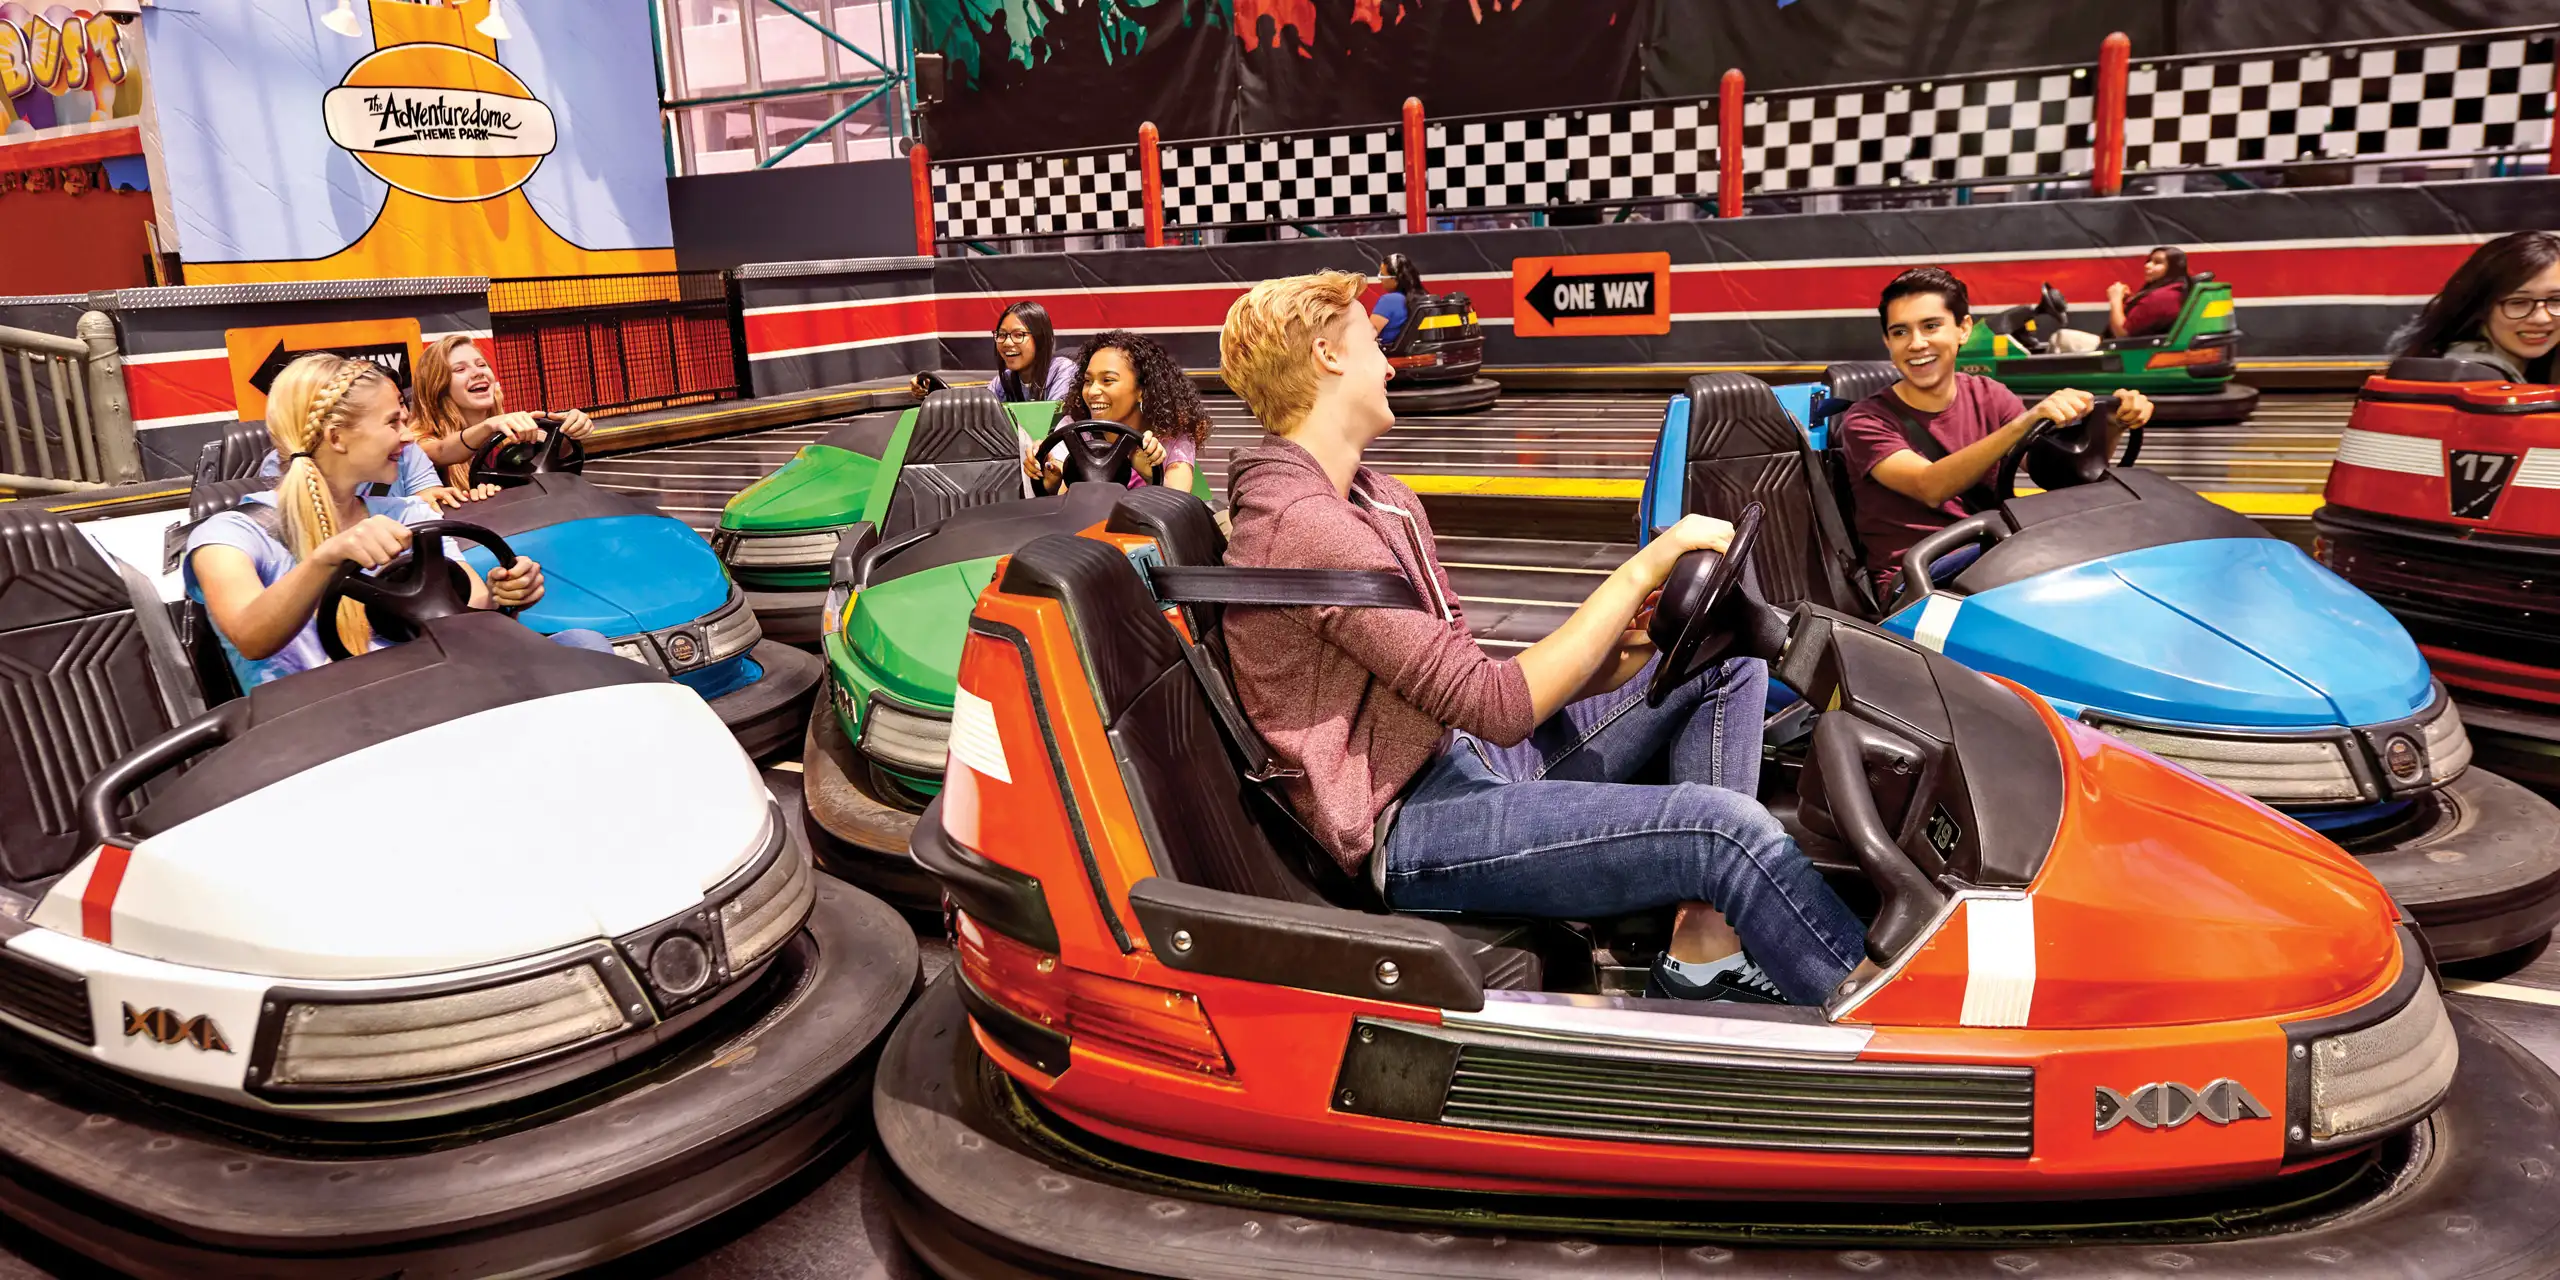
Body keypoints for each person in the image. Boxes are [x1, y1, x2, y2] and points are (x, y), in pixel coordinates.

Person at [1217, 271, 1873, 1006]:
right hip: (1405, 823)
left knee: (1723, 665)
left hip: (1457, 755)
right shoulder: (1303, 527)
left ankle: (1702, 953)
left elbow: (1470, 682)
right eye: (1375, 343)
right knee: (1724, 830)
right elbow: (1498, 704)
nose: (1392, 362)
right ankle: (1898, 1026)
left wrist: (1627, 650)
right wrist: (1642, 567)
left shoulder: (1379, 500)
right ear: (1326, 356)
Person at [185, 354, 610, 693]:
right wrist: (325, 560)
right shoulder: (229, 535)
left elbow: (470, 606)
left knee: (584, 646)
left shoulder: (409, 515)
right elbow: (251, 637)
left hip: (425, 691)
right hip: (321, 727)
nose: (408, 438)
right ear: (337, 437)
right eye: (393, 422)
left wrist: (506, 596)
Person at [1840, 267, 2155, 596]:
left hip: (1995, 553)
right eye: (1901, 332)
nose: (1917, 344)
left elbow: (2058, 474)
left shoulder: (1989, 394)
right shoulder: (1866, 420)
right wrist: (2024, 422)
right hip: (1920, 579)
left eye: (1931, 326)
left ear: (1963, 329)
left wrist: (2113, 425)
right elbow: (1930, 485)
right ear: (1888, 342)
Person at [1029, 330, 1214, 495]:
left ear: (1142, 389)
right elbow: (1059, 487)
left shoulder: (1173, 436)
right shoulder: (1073, 430)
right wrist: (1049, 478)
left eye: (1107, 380)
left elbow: (1178, 503)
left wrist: (1150, 476)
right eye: (1088, 381)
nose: (1092, 391)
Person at [411, 335, 593, 488]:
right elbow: (440, 451)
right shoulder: (417, 445)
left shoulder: (508, 434)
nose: (477, 373)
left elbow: (556, 454)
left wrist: (570, 428)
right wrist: (488, 426)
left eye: (481, 365)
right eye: (460, 369)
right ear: (438, 387)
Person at [2397, 230, 2560, 383]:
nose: (2541, 318)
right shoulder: (2464, 378)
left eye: (2556, 300)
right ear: (2480, 307)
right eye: (2518, 302)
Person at [2050, 246, 2191, 353]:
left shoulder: (2162, 297)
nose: (2147, 266)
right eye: (2149, 261)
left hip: (2124, 352)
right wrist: (2128, 300)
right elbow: (2142, 319)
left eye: (2157, 263)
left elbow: (2122, 334)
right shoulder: (2171, 292)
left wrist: (2115, 299)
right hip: (2133, 348)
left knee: (2061, 337)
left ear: (2173, 268)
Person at [1367, 253, 1425, 348]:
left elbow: (1366, 336)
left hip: (1389, 357)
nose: (1380, 279)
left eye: (1382, 274)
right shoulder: (1423, 298)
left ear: (1395, 279)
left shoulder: (1388, 301)